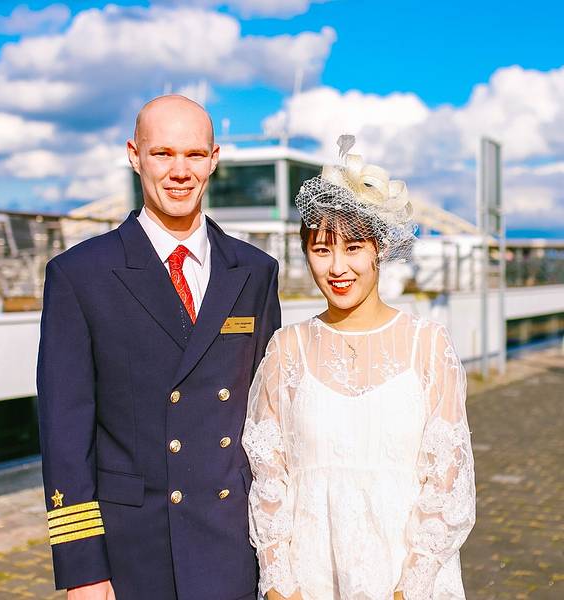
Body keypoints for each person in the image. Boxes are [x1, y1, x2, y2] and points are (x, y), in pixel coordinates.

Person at [37, 95, 281, 599]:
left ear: (214, 159)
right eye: (163, 153)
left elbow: (269, 419)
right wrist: (83, 569)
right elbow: (65, 434)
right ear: (135, 156)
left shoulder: (256, 272)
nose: (180, 171)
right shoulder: (80, 275)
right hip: (133, 550)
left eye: (194, 155)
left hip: (233, 545)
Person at [242, 142, 476, 600]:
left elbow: (448, 481)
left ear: (379, 249)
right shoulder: (286, 349)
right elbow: (268, 477)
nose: (338, 267)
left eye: (353, 248)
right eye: (321, 249)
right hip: (310, 577)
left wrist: (411, 587)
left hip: (407, 579)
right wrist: (279, 583)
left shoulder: (428, 345)